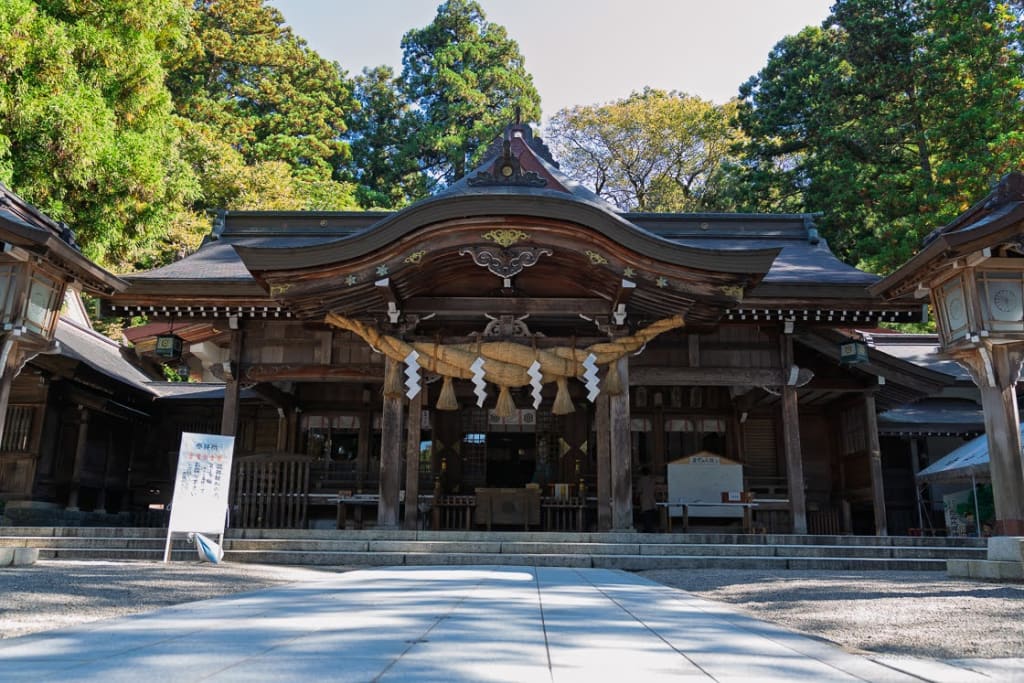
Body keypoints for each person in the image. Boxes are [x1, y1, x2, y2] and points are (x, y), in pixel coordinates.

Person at [637, 466, 658, 532]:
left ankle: (647, 528)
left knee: (645, 515)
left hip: (644, 499)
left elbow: (639, 490)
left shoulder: (640, 480)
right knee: (651, 514)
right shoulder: (652, 480)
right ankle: (651, 528)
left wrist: (637, 496)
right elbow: (655, 490)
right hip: (652, 499)